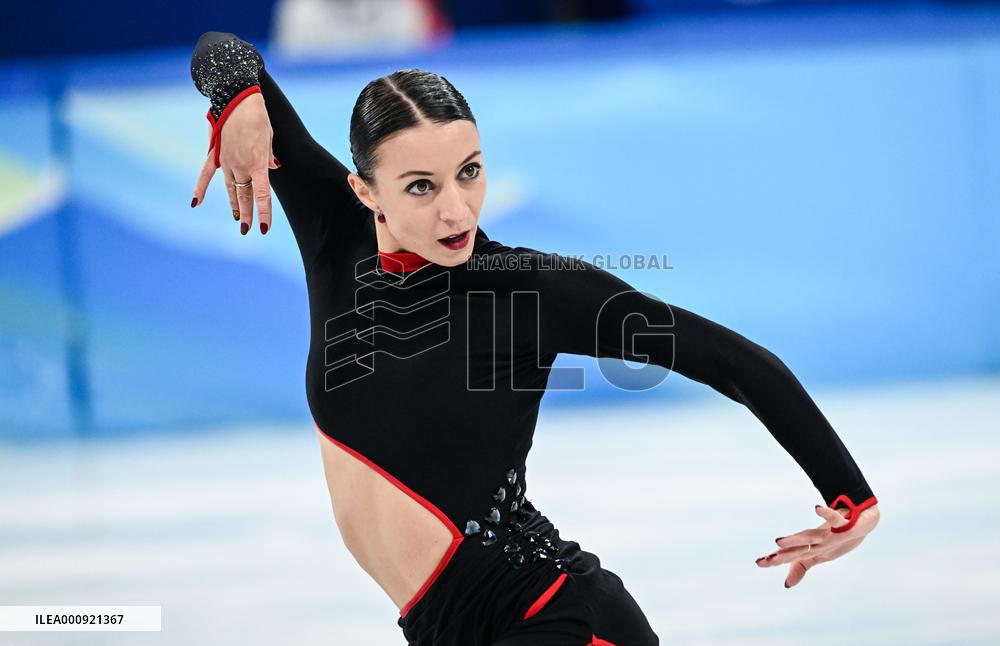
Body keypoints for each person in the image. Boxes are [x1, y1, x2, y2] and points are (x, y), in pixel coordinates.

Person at [188, 31, 880, 646]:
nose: (456, 208)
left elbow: (734, 361)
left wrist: (852, 497)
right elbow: (219, 48)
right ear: (367, 193)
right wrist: (240, 96)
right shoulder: (336, 232)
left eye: (470, 171)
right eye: (421, 186)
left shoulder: (528, 289)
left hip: (553, 614)